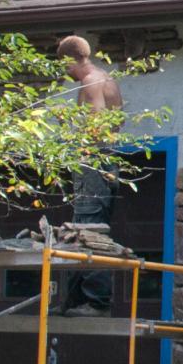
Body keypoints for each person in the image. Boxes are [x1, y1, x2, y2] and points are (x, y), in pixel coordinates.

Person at [57, 35, 125, 316]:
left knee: (88, 228)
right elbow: (117, 122)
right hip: (108, 160)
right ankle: (73, 302)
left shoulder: (90, 82)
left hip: (94, 163)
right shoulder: (107, 79)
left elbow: (96, 127)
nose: (64, 73)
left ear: (69, 60)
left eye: (64, 66)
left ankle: (96, 302)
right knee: (81, 227)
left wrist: (67, 123)